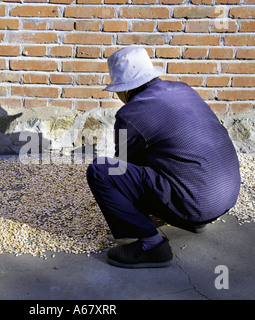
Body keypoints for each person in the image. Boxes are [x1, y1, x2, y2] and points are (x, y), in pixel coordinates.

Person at [86, 46, 241, 268]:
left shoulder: (129, 114)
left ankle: (151, 245)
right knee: (169, 155)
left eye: (117, 91)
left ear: (126, 90)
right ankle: (193, 218)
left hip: (194, 204)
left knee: (101, 171)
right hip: (226, 196)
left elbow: (121, 168)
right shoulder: (183, 89)